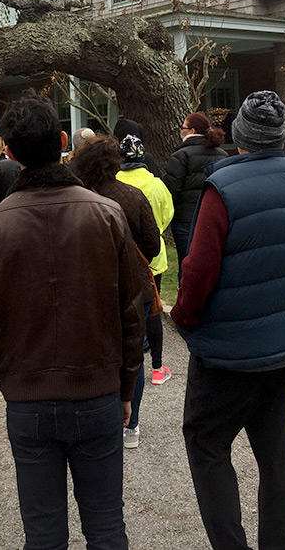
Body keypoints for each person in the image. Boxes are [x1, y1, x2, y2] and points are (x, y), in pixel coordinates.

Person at [0, 91, 144, 550]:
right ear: (62, 140)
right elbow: (131, 312)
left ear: (9, 150)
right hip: (96, 391)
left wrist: (10, 379)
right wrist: (125, 385)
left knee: (43, 534)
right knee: (106, 527)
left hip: (29, 400)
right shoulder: (106, 214)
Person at [171, 90, 285, 550]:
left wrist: (183, 319)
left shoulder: (223, 187)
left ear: (239, 137)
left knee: (206, 442)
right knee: (276, 453)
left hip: (228, 352)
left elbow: (197, 268)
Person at [74, 135, 162, 448]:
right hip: (133, 285)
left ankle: (95, 414)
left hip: (90, 284)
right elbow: (152, 244)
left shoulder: (79, 198)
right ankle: (131, 423)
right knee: (132, 352)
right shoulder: (134, 196)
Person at [117, 134, 174, 407]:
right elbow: (167, 215)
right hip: (152, 258)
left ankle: (127, 364)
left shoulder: (113, 185)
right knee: (152, 309)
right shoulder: (156, 185)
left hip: (120, 257)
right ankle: (157, 367)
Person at [163, 112, 228, 282]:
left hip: (185, 219)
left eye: (183, 128)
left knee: (186, 264)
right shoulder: (222, 155)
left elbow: (171, 191)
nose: (181, 131)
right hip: (214, 218)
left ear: (191, 131)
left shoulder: (180, 156)